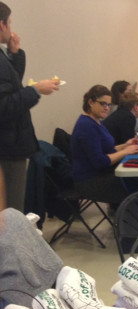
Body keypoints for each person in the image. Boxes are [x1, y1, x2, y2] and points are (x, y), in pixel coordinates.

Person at [0, 1, 59, 212]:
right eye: (10, 22)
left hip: (9, 145)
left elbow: (10, 87)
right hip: (7, 149)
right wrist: (36, 90)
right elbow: (4, 106)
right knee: (11, 214)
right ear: (2, 25)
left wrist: (15, 54)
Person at [71, 85, 138, 206]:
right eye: (103, 104)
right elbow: (100, 161)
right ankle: (131, 219)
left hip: (99, 175)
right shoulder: (86, 126)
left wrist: (125, 145)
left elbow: (108, 149)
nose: (107, 108)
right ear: (91, 102)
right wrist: (126, 152)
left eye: (109, 105)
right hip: (89, 181)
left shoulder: (96, 121)